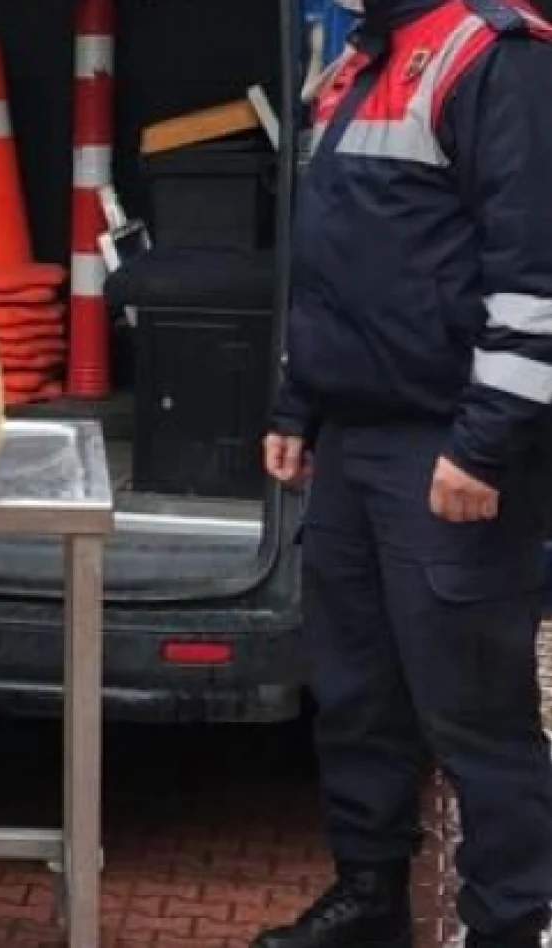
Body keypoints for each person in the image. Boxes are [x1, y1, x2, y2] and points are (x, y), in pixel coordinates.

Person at [258, 1, 552, 947]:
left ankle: (508, 924)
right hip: (353, 441)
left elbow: (536, 276)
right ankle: (369, 901)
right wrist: (301, 402)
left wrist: (484, 442)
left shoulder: (495, 59)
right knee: (356, 694)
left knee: (474, 713)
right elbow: (341, 267)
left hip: (448, 449)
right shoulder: (359, 63)